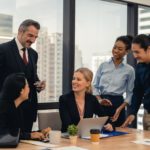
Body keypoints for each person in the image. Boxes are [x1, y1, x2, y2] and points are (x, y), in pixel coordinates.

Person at [0, 19, 46, 132]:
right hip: (9, 110)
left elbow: (32, 77)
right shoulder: (3, 50)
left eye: (35, 37)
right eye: (30, 35)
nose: (33, 40)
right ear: (20, 31)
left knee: (27, 144)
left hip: (29, 111)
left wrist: (38, 84)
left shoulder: (33, 54)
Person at [93, 35, 135, 126]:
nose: (115, 51)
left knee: (118, 136)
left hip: (118, 105)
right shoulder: (103, 66)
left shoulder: (129, 70)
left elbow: (130, 93)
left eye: (120, 49)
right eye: (114, 47)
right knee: (100, 133)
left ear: (127, 51)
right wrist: (100, 100)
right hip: (102, 104)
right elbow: (94, 86)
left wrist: (119, 109)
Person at [59, 68, 114, 133]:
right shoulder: (64, 99)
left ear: (87, 83)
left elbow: (105, 118)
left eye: (78, 79)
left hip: (86, 137)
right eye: (73, 79)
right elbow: (67, 125)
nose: (74, 82)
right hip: (69, 138)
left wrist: (110, 125)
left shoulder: (92, 99)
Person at [0, 73, 49, 140]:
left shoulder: (18, 106)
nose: (29, 89)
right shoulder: (3, 108)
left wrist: (40, 132)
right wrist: (30, 136)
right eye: (28, 86)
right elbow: (4, 135)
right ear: (21, 91)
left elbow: (20, 133)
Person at [122, 34, 150, 130]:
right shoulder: (139, 68)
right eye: (133, 52)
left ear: (148, 49)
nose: (135, 56)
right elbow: (137, 93)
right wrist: (132, 113)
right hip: (148, 115)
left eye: (137, 52)